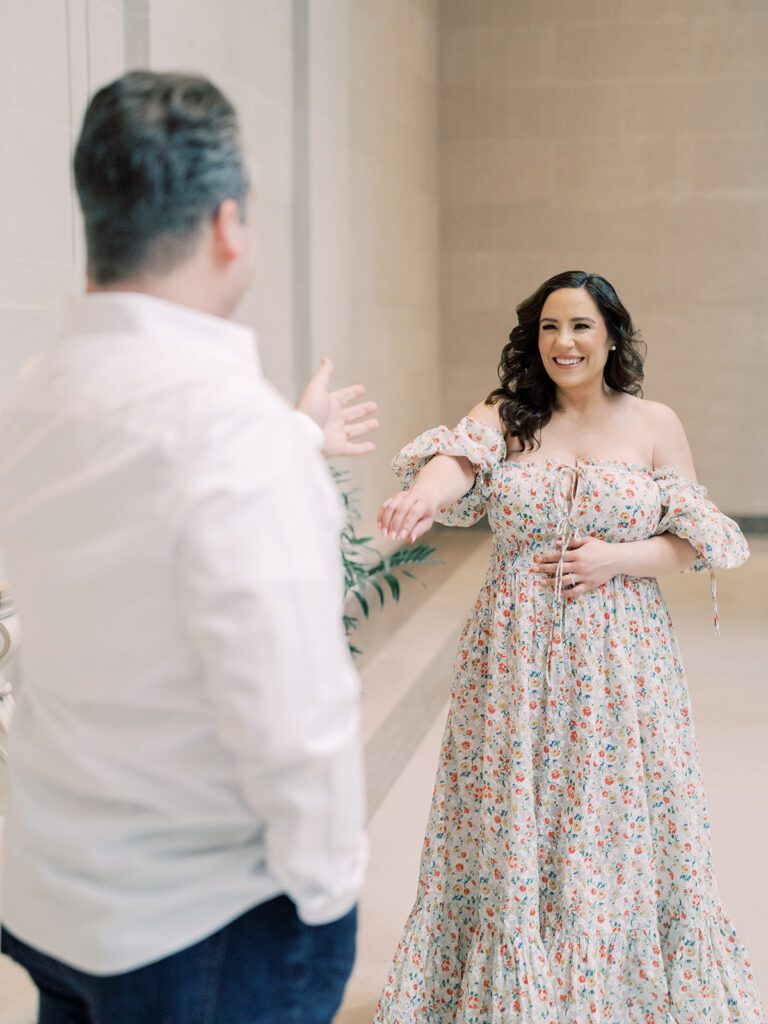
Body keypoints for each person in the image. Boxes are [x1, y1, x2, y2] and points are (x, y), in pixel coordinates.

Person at [0, 71, 378, 1023]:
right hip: (204, 931)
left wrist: (294, 439)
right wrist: (326, 897)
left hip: (55, 895)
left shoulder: (33, 397)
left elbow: (138, 511)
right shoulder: (230, 437)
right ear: (227, 223)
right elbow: (296, 726)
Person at [375, 270, 765, 1022]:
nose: (564, 342)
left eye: (581, 326)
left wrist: (616, 558)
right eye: (550, 327)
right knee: (516, 816)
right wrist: (423, 495)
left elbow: (695, 542)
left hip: (620, 662)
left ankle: (609, 992)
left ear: (611, 334)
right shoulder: (508, 415)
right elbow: (460, 460)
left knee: (606, 820)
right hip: (514, 660)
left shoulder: (655, 424)